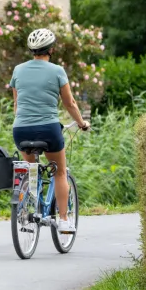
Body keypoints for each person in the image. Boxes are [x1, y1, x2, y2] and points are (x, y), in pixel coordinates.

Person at [9, 28, 89, 234]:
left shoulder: (18, 70)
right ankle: (64, 220)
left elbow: (17, 104)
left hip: (21, 129)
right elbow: (70, 103)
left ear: (31, 50)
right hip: (48, 129)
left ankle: (29, 211)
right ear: (51, 49)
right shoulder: (57, 71)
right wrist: (81, 123)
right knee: (60, 172)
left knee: (32, 169)